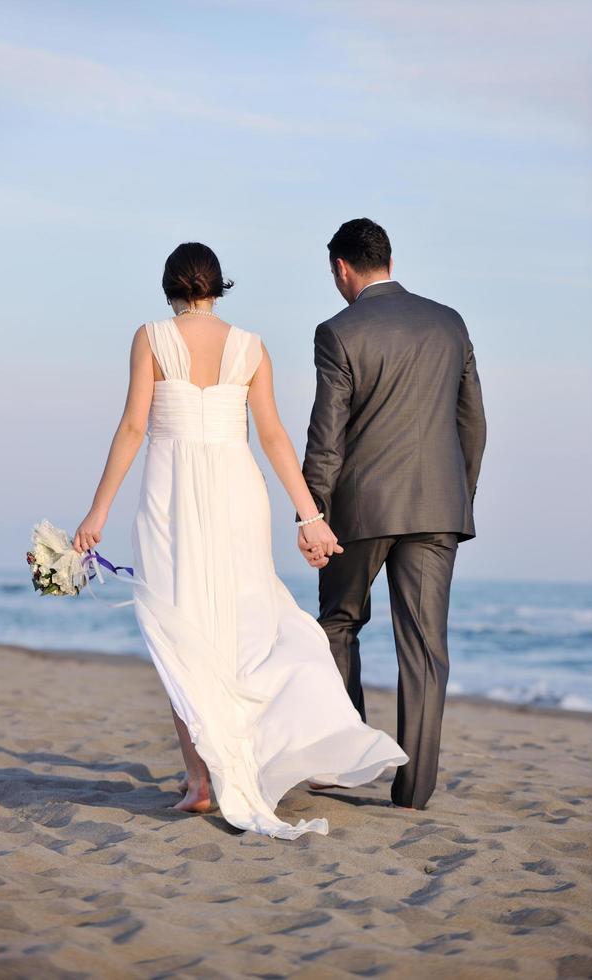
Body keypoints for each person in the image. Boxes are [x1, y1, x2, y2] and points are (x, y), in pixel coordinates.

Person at [73, 241, 407, 840]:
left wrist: (97, 511)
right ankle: (225, 765)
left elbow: (132, 427)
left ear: (170, 285)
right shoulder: (251, 346)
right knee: (242, 624)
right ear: (218, 285)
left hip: (171, 493)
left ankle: (201, 780)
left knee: (179, 626)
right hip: (236, 493)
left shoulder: (150, 337)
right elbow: (274, 436)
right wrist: (309, 515)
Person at [298, 218, 487, 811]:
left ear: (342, 268)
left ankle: (347, 760)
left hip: (362, 508)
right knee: (427, 647)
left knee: (338, 623)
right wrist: (460, 496)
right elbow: (472, 422)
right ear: (388, 259)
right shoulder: (449, 323)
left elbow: (326, 439)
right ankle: (414, 792)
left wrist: (313, 512)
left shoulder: (338, 332)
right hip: (438, 505)